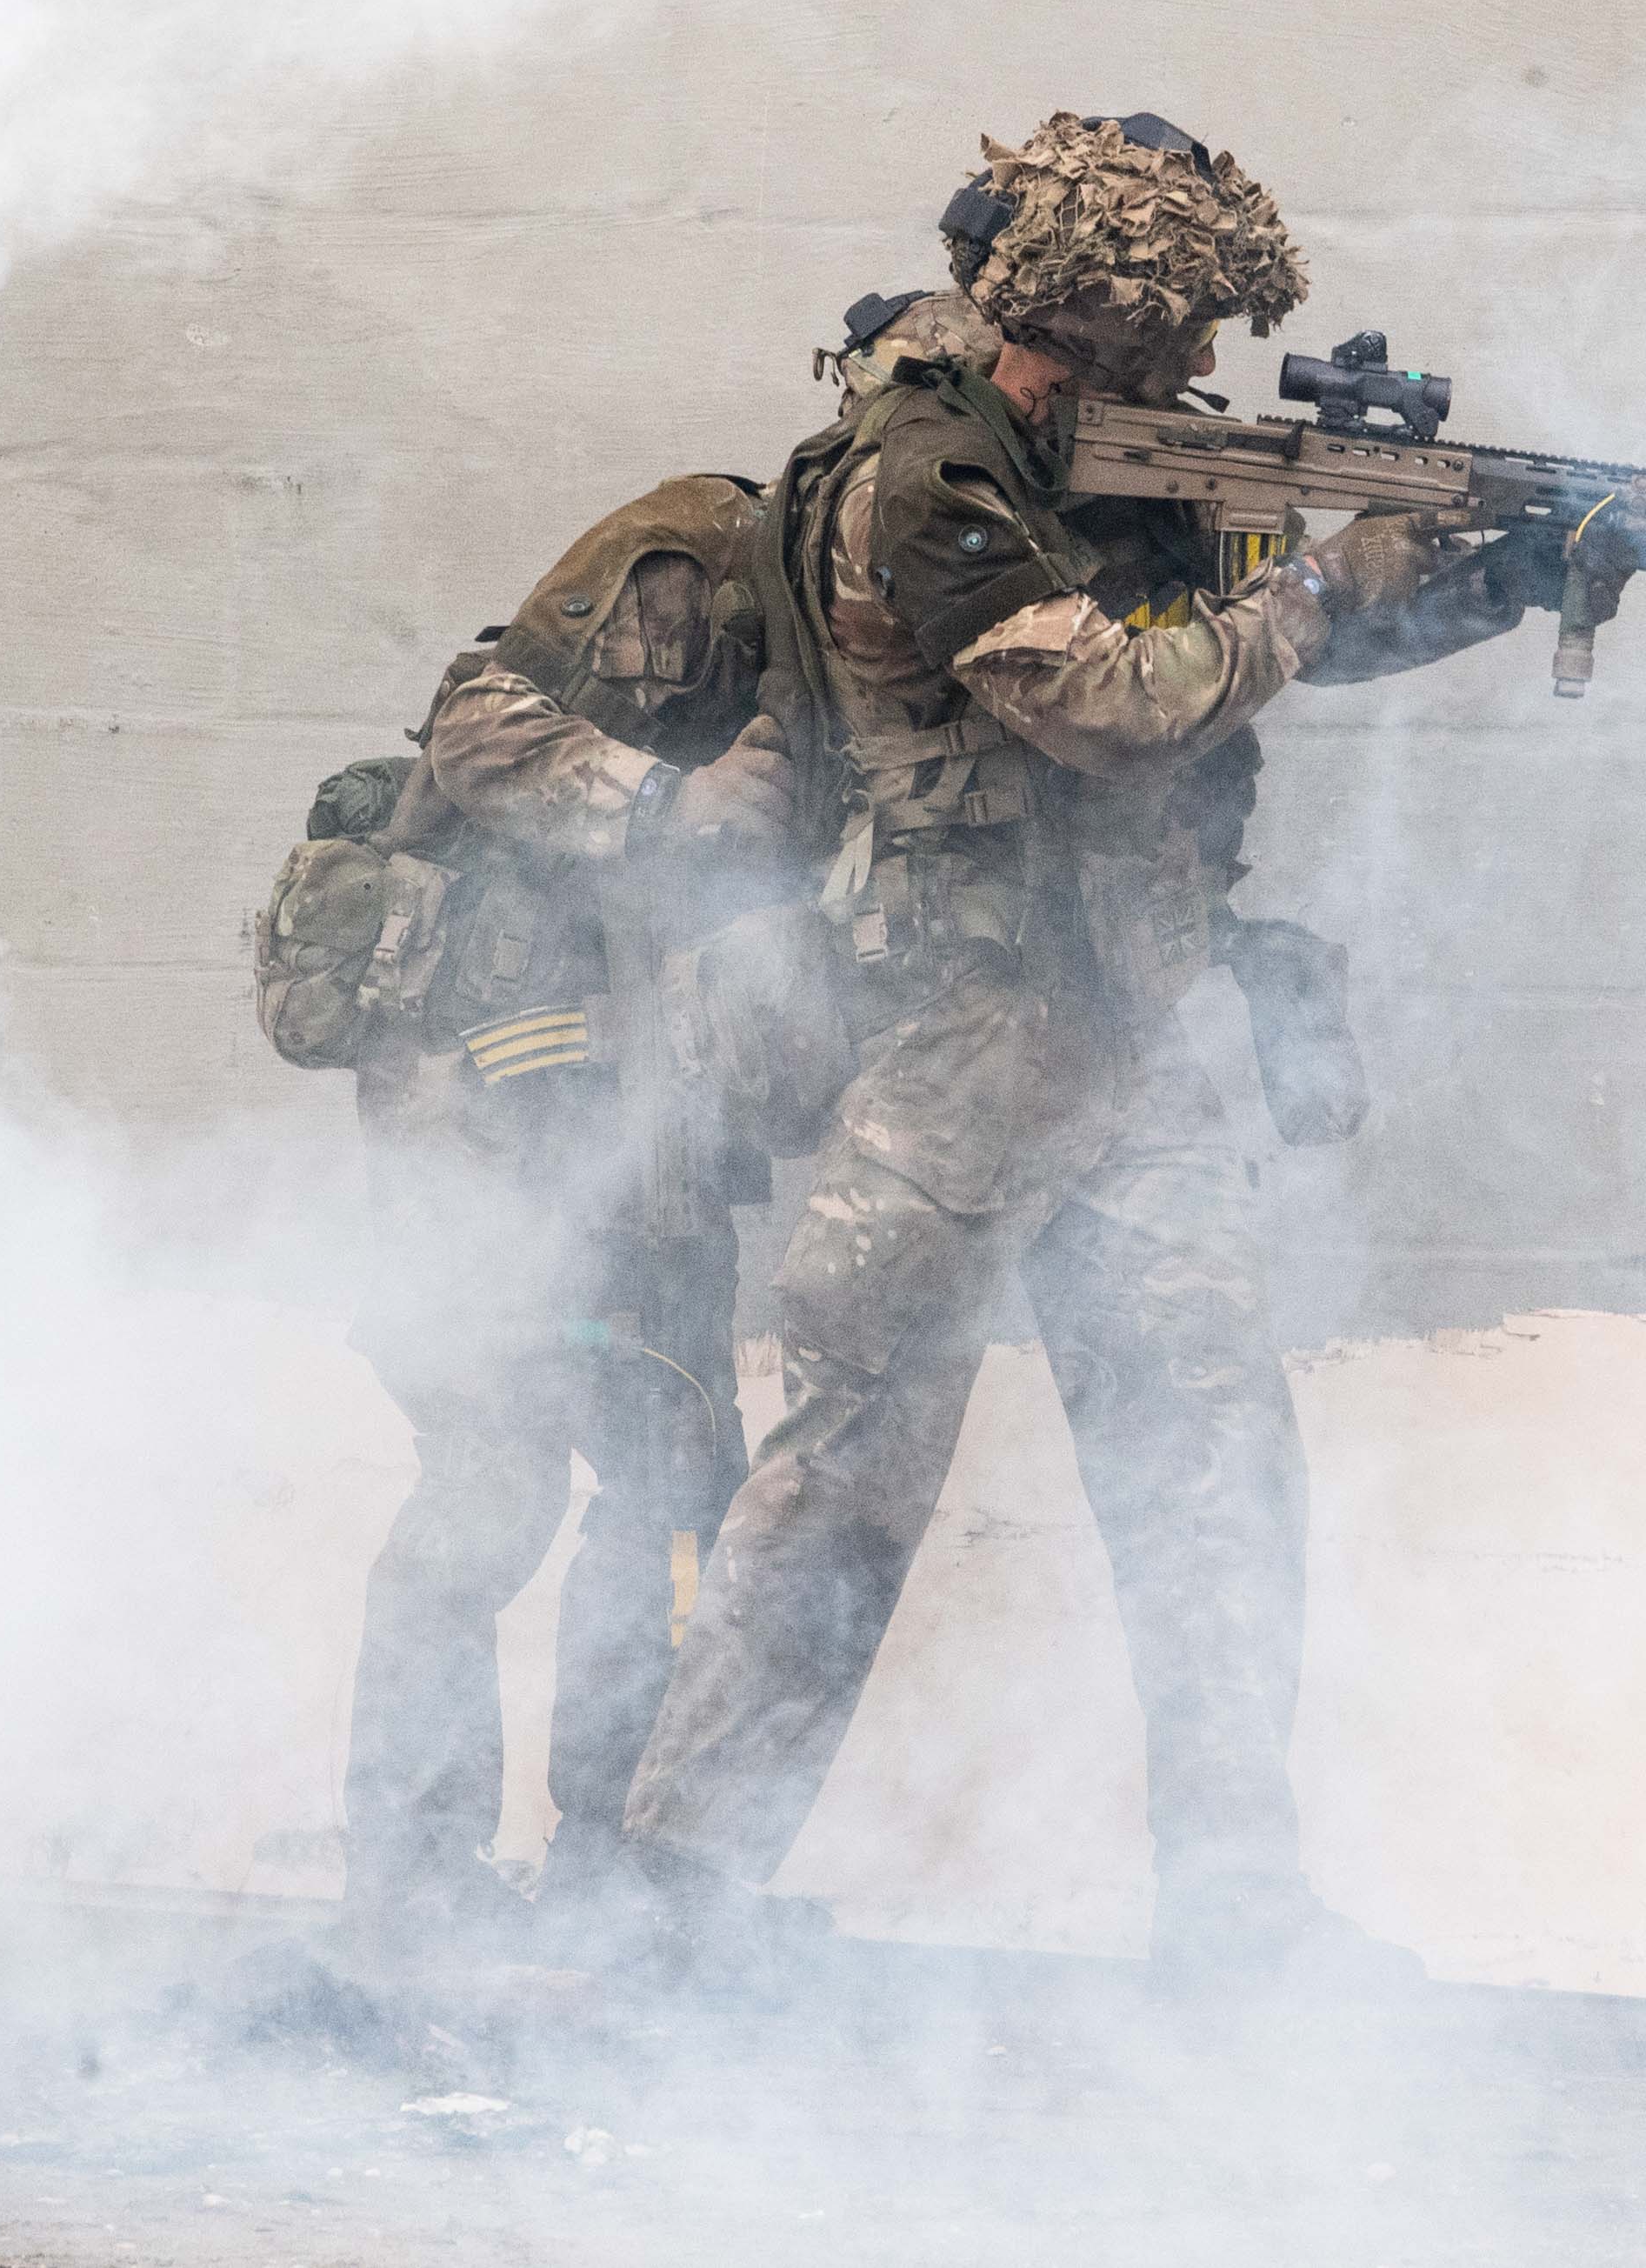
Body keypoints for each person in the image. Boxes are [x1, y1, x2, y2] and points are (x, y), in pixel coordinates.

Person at [613, 110, 1567, 1991]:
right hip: (960, 1040)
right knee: (847, 1481)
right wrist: (1327, 576)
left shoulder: (1102, 469)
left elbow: (1263, 639)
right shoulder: (926, 480)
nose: (1202, 372)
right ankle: (675, 1915)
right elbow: (1123, 699)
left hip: (1134, 1032)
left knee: (1214, 1466)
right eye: (1174, 340)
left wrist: (1494, 578)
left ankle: (1234, 1913)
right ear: (1102, 327)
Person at [324, 475, 810, 1965]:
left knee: (672, 1500)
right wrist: (674, 799)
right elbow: (477, 727)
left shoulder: (881, 621)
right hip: (488, 1139)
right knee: (490, 1484)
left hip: (645, 1144)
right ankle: (406, 1887)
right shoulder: (714, 558)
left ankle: (611, 1876)